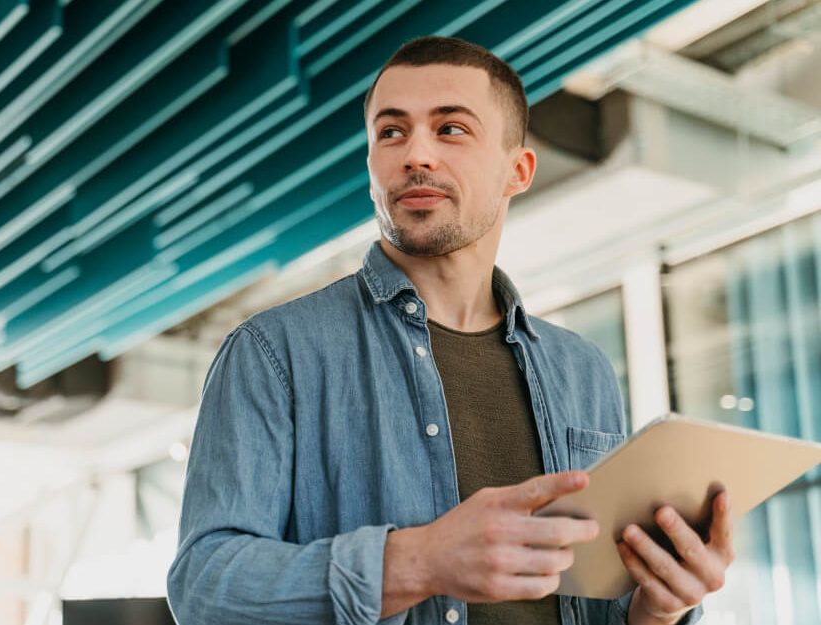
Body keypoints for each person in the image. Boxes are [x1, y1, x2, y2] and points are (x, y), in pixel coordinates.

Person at [167, 36, 734, 625]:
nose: (416, 155)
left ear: (518, 170)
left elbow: (604, 608)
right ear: (370, 167)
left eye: (451, 129)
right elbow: (204, 586)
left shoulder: (582, 369)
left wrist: (662, 606)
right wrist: (418, 562)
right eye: (391, 132)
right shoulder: (272, 352)